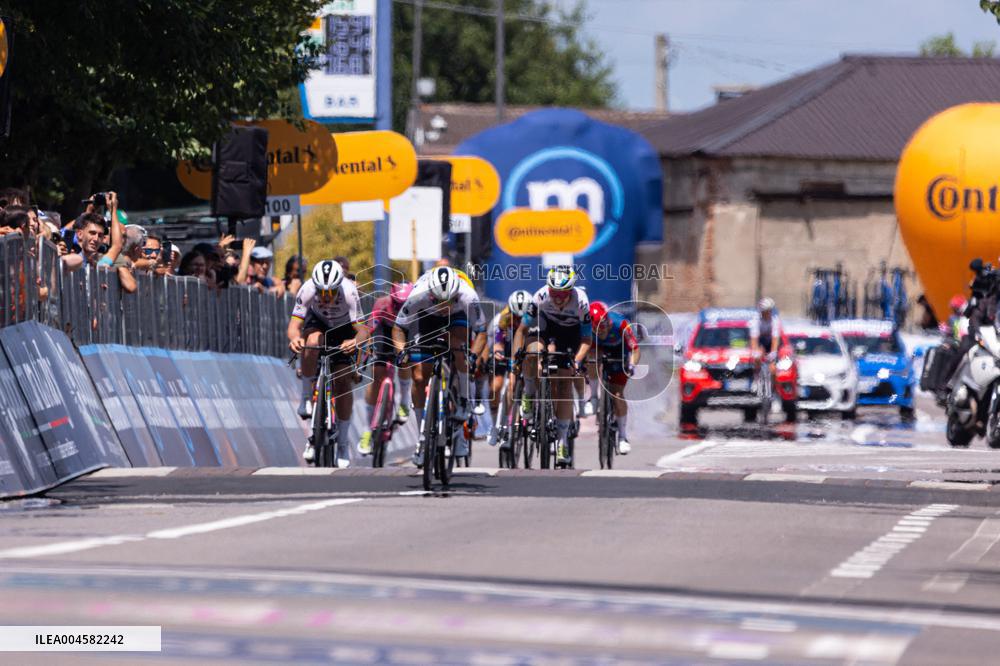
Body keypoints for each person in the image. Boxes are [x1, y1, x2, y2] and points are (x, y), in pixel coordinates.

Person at [392, 265, 486, 466]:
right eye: (439, 301)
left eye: (448, 301)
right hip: (426, 317)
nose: (444, 305)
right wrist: (401, 352)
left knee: (458, 346)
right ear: (431, 294)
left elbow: (482, 332)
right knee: (418, 376)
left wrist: (473, 357)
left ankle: (462, 402)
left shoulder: (467, 296)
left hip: (458, 316)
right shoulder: (419, 295)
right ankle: (422, 437)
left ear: (455, 295)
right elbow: (399, 328)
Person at [287, 259, 368, 466]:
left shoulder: (349, 292)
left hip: (344, 327)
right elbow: (294, 326)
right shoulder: (307, 289)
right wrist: (295, 339)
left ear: (338, 287)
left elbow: (363, 331)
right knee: (311, 342)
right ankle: (306, 397)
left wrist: (354, 342)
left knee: (342, 381)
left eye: (330, 292)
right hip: (318, 323)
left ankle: (342, 443)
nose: (325, 297)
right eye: (321, 292)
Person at [513, 266, 592, 466]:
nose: (557, 298)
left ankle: (563, 441)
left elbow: (586, 339)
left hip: (570, 333)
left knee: (565, 383)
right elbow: (522, 330)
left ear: (571, 291)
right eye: (553, 293)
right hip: (545, 326)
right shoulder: (539, 297)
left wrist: (576, 360)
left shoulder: (581, 301)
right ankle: (529, 395)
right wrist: (516, 357)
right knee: (532, 353)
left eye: (562, 294)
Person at [356, 281, 414, 456]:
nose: (399, 308)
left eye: (404, 305)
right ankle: (367, 430)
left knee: (405, 359)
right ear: (391, 298)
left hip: (405, 332)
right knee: (377, 374)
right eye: (397, 304)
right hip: (384, 332)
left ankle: (404, 400)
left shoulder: (416, 306)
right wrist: (362, 358)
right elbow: (369, 330)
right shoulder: (382, 304)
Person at [588, 302, 640, 455]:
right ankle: (593, 397)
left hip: (620, 351)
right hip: (598, 349)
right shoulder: (586, 327)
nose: (603, 330)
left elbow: (635, 350)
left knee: (617, 394)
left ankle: (623, 437)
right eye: (600, 328)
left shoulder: (621, 324)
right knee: (592, 358)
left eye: (605, 326)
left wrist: (632, 365)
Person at [486, 289, 531, 447]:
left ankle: (516, 420)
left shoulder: (534, 318)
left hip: (524, 349)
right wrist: (497, 352)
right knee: (495, 387)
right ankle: (495, 425)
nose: (518, 319)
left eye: (522, 316)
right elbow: (497, 342)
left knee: (513, 384)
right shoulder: (502, 318)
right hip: (506, 349)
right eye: (515, 316)